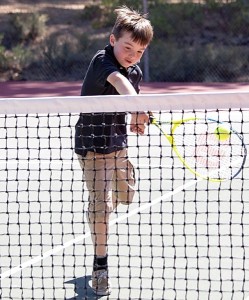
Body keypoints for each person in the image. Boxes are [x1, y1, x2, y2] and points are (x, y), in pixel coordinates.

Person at [74, 6, 154, 296]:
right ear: (112, 40)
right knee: (102, 205)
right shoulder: (102, 61)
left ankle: (106, 205)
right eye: (127, 47)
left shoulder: (134, 72)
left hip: (118, 144)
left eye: (139, 51)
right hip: (93, 146)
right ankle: (101, 265)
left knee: (126, 196)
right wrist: (138, 107)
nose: (132, 56)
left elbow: (130, 94)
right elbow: (119, 84)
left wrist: (138, 117)